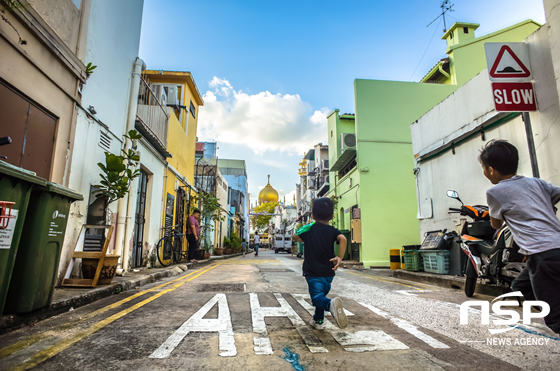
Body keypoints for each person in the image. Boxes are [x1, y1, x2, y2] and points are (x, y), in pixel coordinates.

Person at [480, 139, 560, 334]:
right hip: (556, 246)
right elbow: (556, 194)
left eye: (483, 168)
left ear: (491, 170)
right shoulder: (536, 183)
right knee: (521, 284)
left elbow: (496, 223)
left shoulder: (495, 191)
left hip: (541, 254)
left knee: (555, 315)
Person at [292, 197, 348, 330]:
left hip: (313, 271)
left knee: (317, 298)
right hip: (329, 271)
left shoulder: (309, 230)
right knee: (321, 295)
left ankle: (330, 305)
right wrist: (340, 257)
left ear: (312, 215)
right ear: (332, 216)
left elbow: (295, 236)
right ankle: (318, 320)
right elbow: (343, 238)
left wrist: (309, 225)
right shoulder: (333, 231)